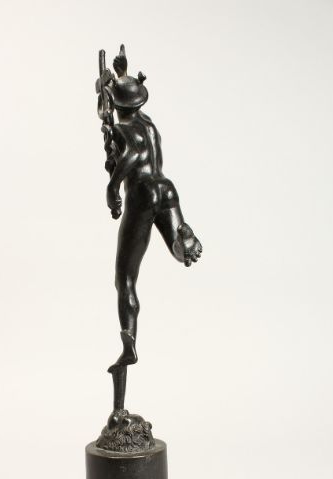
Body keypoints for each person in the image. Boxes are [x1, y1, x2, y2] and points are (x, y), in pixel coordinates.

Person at [97, 45, 202, 374]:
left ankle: (128, 341)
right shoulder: (148, 123)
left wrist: (113, 186)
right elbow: (135, 144)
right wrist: (121, 78)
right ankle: (180, 239)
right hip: (166, 188)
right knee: (177, 251)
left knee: (124, 279)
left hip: (141, 193)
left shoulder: (124, 129)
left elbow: (132, 155)